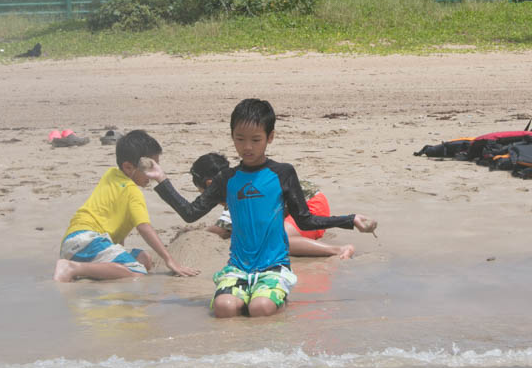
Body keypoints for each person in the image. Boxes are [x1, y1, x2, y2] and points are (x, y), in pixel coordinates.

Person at [149, 98, 378, 318]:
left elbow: (305, 220)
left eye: (255, 140)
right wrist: (162, 180)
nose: (247, 147)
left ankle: (276, 297)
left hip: (273, 266)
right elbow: (191, 213)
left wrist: (350, 219)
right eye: (240, 139)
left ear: (270, 137)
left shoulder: (282, 173)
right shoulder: (226, 178)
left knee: (260, 309)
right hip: (238, 267)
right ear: (232, 137)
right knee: (224, 309)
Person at [53, 130, 200, 281]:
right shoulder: (132, 191)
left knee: (144, 259)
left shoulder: (111, 174)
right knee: (136, 271)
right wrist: (170, 260)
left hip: (73, 243)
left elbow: (116, 227)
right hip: (88, 241)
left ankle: (85, 270)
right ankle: (73, 268)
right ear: (128, 167)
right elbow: (144, 227)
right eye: (150, 167)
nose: (154, 173)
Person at [190, 152, 355, 259]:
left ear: (210, 184)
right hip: (312, 202)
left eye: (203, 193)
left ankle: (338, 250)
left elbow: (222, 230)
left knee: (276, 241)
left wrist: (195, 232)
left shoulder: (236, 190)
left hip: (312, 206)